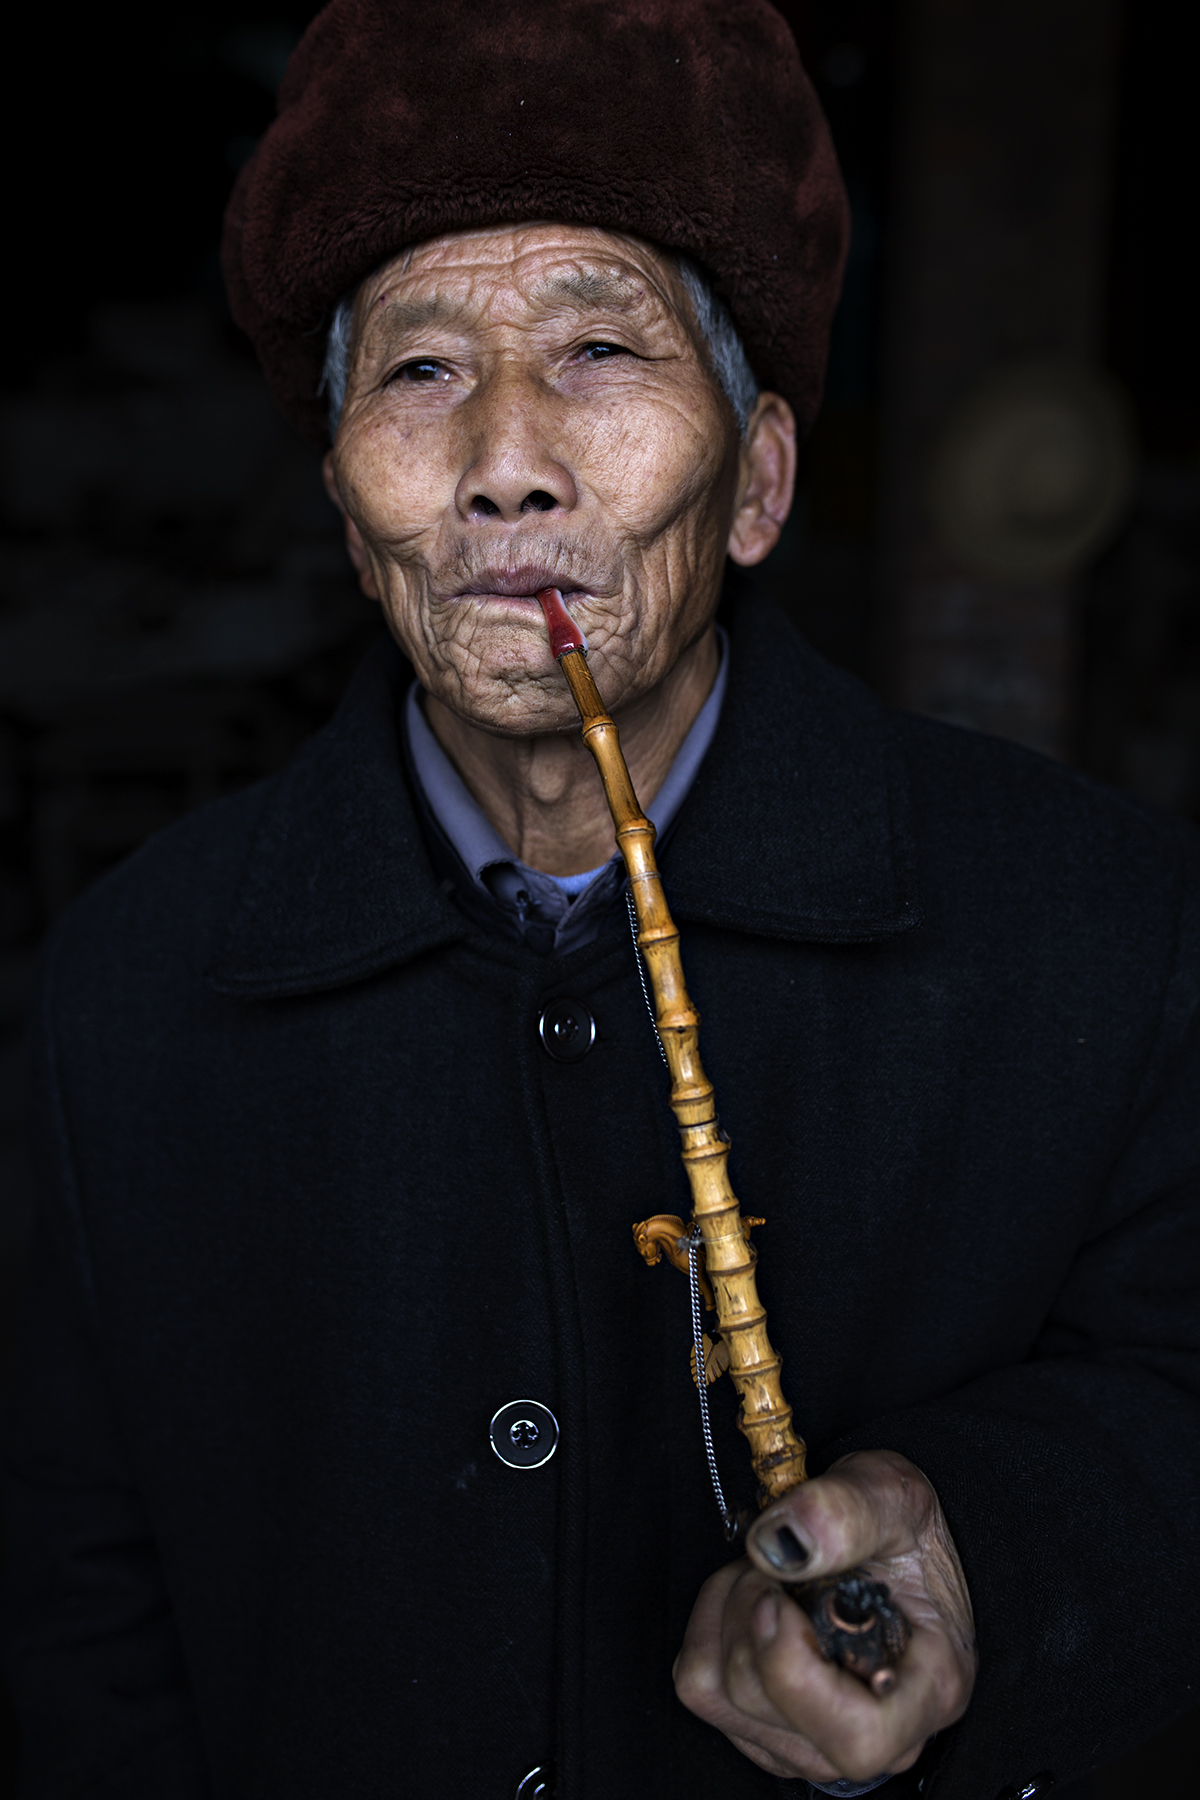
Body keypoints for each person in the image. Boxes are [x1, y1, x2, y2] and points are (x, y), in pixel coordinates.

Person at [3, 2, 1198, 1797]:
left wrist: (986, 1560)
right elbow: (74, 1599)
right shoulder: (131, 988)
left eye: (595, 352)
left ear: (759, 485)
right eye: (417, 372)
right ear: (350, 521)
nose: (504, 460)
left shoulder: (1105, 929)